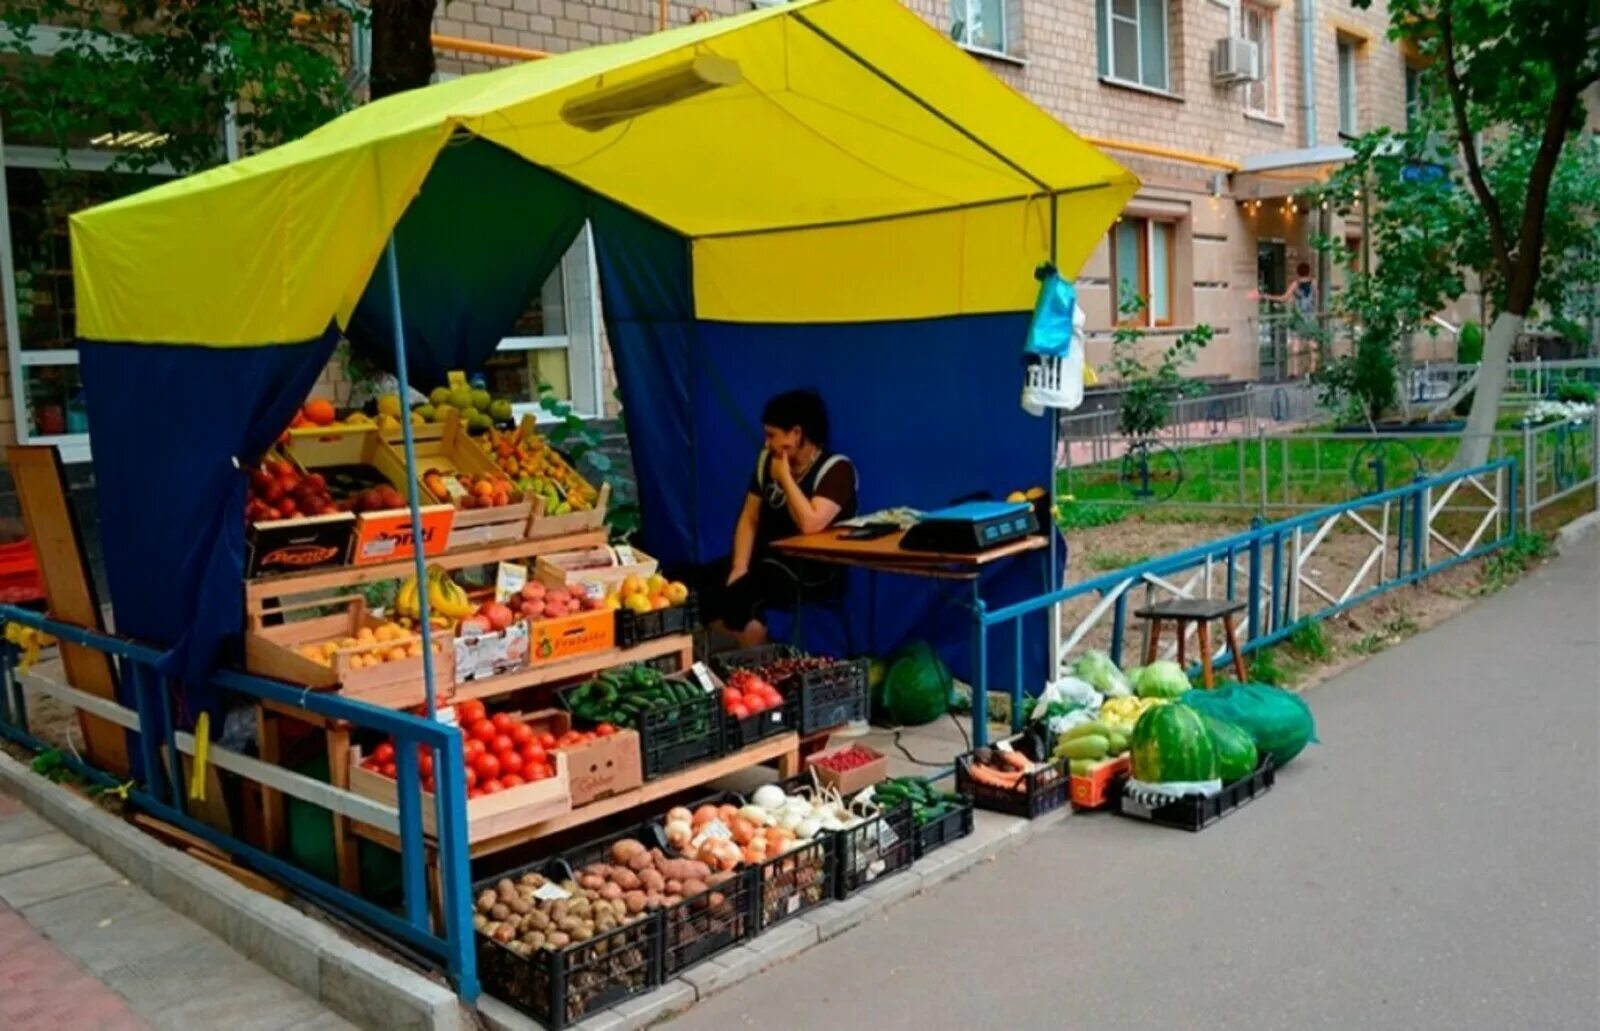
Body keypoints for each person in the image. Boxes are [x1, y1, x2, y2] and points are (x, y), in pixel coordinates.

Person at [703, 390, 858, 648]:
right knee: (703, 582)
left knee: (743, 596)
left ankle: (754, 660)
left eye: (772, 435)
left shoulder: (838, 470)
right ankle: (743, 647)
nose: (766, 444)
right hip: (767, 558)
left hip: (812, 572)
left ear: (796, 434)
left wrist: (785, 478)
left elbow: (810, 523)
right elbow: (749, 518)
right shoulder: (766, 462)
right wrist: (739, 566)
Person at [1263, 262, 1320, 377]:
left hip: (1298, 318)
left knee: (1295, 345)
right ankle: (1313, 369)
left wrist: (1267, 296)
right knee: (1312, 344)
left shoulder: (1295, 284)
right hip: (1311, 317)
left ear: (1298, 273)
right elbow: (1317, 297)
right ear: (1308, 271)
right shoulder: (1314, 283)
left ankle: (1294, 371)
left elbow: (1283, 298)